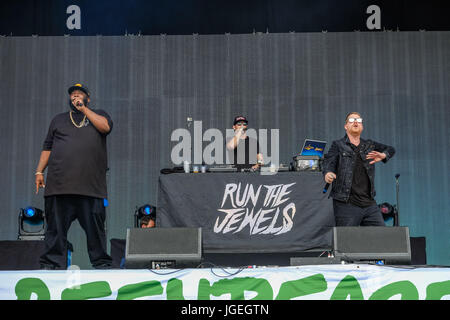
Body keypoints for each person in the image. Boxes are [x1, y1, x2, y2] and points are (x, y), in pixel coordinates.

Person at [35, 83, 114, 270]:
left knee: (95, 230)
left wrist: (84, 109)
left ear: (88, 98)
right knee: (55, 229)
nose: (75, 97)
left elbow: (105, 128)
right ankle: (51, 265)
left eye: (79, 94)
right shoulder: (58, 120)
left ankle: (102, 265)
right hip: (60, 186)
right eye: (72, 95)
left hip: (91, 188)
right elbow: (47, 147)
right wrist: (39, 171)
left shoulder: (98, 115)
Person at [322, 112, 396, 226]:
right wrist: (328, 173)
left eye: (358, 120)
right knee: (346, 239)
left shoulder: (369, 144)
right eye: (351, 120)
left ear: (362, 126)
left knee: (381, 237)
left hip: (369, 203)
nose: (356, 122)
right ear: (346, 126)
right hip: (346, 203)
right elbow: (328, 161)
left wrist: (384, 155)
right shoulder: (338, 145)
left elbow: (391, 149)